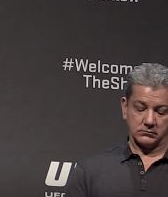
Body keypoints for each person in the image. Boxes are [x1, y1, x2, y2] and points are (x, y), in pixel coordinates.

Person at [65, 63, 168, 196]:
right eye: (140, 109)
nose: (149, 121)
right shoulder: (89, 173)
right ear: (125, 108)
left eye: (161, 111)